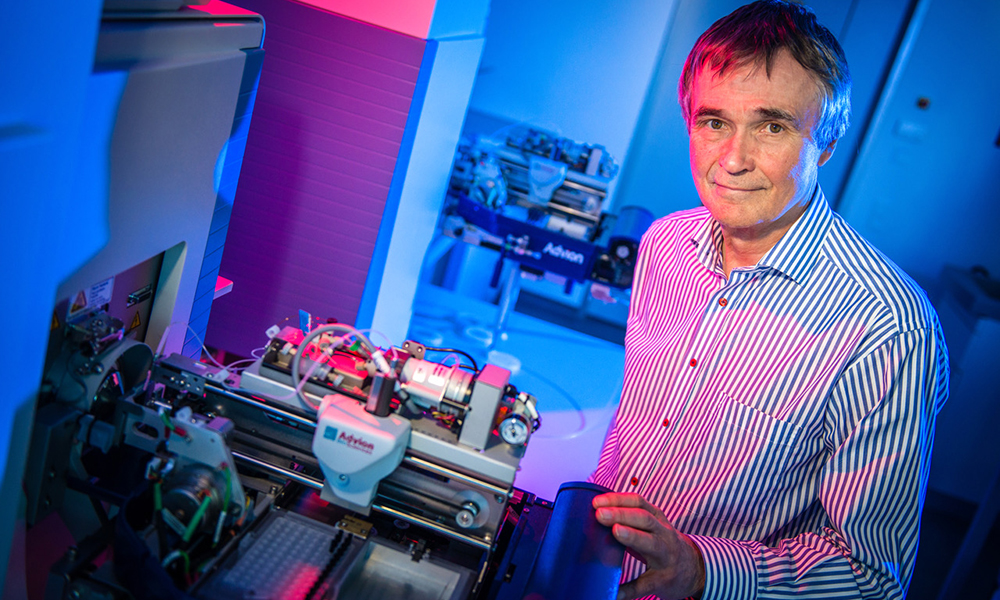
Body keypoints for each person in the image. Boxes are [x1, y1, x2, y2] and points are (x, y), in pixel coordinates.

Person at [588, 2, 950, 599]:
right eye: (713, 122)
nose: (732, 160)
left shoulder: (889, 329)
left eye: (773, 126)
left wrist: (701, 571)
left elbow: (871, 578)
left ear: (825, 142)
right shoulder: (665, 244)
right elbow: (634, 425)